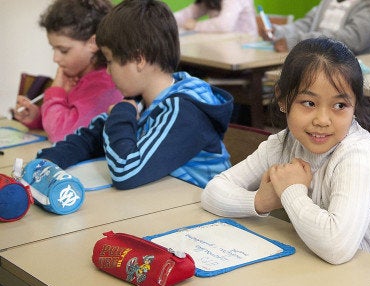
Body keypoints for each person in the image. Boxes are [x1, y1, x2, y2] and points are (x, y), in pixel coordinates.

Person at [202, 37, 370, 286]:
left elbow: (336, 247)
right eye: (309, 103)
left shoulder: (358, 156)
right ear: (283, 99)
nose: (323, 119)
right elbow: (213, 191)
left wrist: (290, 191)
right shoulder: (283, 143)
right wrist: (261, 202)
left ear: (354, 106)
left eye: (339, 106)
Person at [35, 0, 233, 190]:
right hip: (162, 204)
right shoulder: (141, 101)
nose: (108, 71)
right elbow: (91, 137)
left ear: (139, 59)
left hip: (200, 212)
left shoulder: (183, 110)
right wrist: (47, 161)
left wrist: (121, 116)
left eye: (110, 61)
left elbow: (126, 173)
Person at [12, 0, 123, 143]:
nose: (55, 58)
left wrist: (56, 91)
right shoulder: (80, 77)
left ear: (93, 43)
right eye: (54, 49)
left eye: (63, 50)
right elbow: (69, 118)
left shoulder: (105, 86)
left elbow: (61, 135)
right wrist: (37, 118)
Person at [261, 0, 370, 55]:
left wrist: (297, 41)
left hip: (345, 71)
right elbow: (306, 23)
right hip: (314, 61)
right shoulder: (327, 2)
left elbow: (353, 39)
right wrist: (278, 32)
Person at [174, 0, 257, 37]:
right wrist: (163, 19)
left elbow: (224, 25)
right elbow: (186, 14)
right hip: (222, 46)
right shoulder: (210, 1)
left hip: (244, 47)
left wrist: (195, 26)